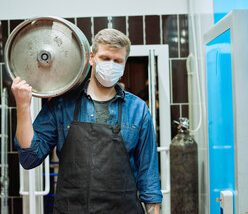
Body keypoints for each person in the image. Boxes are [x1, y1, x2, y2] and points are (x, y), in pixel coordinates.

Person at [12, 28, 162, 214]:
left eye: (117, 61)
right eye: (105, 58)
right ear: (91, 57)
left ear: (124, 64)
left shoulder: (138, 110)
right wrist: (23, 106)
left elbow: (149, 179)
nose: (111, 65)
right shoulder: (61, 105)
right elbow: (29, 157)